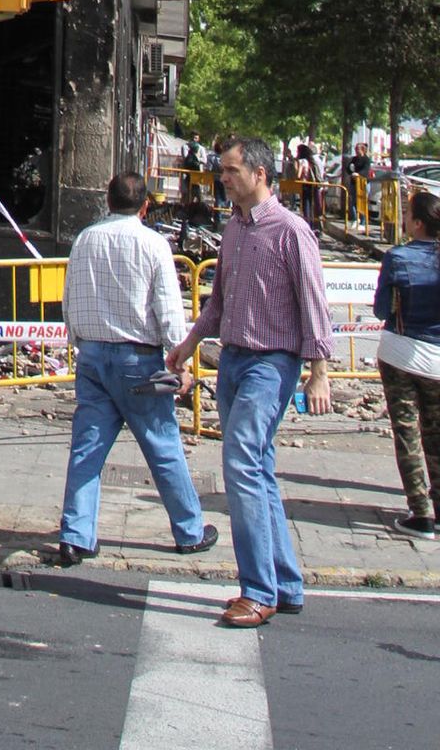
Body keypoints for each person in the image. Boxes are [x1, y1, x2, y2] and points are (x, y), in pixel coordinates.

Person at [170, 135, 335, 627]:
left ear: (259, 174)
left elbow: (314, 304)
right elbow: (217, 303)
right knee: (257, 469)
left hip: (272, 363)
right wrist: (188, 344)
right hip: (234, 360)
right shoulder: (234, 230)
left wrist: (319, 371)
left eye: (231, 171)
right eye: (222, 170)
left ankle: (257, 590)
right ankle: (284, 583)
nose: (223, 178)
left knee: (240, 463)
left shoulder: (291, 231)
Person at [56, 171, 218, 565]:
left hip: (93, 355)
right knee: (162, 445)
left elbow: (70, 299)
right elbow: (167, 308)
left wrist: (80, 342)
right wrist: (179, 360)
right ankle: (189, 530)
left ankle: (76, 534)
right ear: (145, 206)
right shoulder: (153, 244)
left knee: (87, 449)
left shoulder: (85, 240)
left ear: (107, 202)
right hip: (139, 359)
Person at [372, 185, 440, 536]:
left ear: (415, 224)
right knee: (436, 433)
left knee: (407, 433)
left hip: (402, 353)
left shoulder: (398, 258)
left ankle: (420, 511)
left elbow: (382, 309)